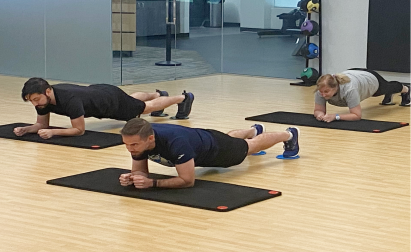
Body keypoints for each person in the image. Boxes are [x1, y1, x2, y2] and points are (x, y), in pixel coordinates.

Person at [118, 118, 300, 189]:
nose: (130, 149)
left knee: (249, 147)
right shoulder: (138, 142)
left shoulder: (175, 142)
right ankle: (253, 130)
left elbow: (188, 181)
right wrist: (134, 177)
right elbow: (140, 170)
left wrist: (153, 183)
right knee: (232, 139)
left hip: (216, 150)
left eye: (133, 144)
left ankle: (289, 134)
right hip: (203, 139)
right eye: (127, 144)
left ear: (150, 139)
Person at [14, 77, 194, 139]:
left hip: (110, 101)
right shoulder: (44, 99)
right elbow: (41, 125)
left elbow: (79, 130)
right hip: (100, 91)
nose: (35, 104)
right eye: (32, 101)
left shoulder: (70, 100)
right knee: (131, 100)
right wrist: (26, 129)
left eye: (36, 99)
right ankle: (157, 94)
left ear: (47, 91)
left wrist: (55, 133)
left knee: (143, 109)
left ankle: (183, 98)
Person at [314, 68, 411, 122]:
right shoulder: (321, 91)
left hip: (369, 79)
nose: (322, 94)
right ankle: (389, 95)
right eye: (321, 91)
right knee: (386, 89)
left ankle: (406, 89)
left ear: (336, 87)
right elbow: (318, 110)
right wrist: (320, 115)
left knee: (388, 87)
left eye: (326, 92)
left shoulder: (349, 89)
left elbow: (356, 115)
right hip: (354, 74)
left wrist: (335, 116)